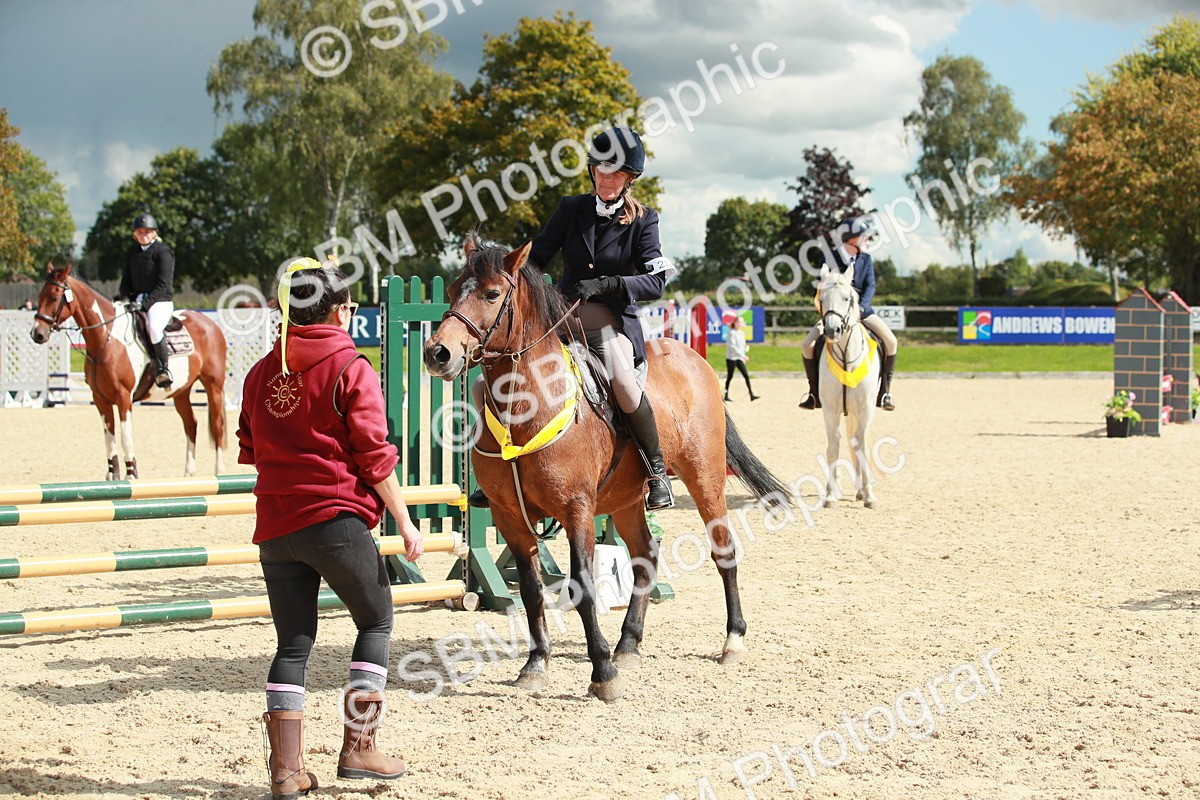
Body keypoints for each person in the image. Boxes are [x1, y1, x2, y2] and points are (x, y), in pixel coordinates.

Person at [237, 258, 424, 798]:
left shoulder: (259, 372)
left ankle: (286, 771)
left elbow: (249, 448)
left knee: (293, 645)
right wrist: (406, 521)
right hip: (335, 521)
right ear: (341, 311)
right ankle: (359, 748)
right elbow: (375, 458)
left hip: (274, 527)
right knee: (376, 621)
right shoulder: (350, 367)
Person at [468, 126, 677, 511]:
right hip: (560, 317)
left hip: (609, 320)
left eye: (615, 173)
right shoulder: (571, 208)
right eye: (600, 169)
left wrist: (610, 283)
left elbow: (656, 280)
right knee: (485, 386)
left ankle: (657, 471)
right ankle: (497, 473)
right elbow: (536, 259)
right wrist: (498, 271)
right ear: (591, 170)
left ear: (630, 178)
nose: (606, 178)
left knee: (625, 387)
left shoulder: (646, 220)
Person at [798, 216, 897, 411]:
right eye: (863, 237)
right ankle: (813, 393)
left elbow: (870, 285)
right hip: (835, 315)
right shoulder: (829, 258)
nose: (867, 241)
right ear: (851, 239)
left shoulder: (866, 259)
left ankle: (884, 392)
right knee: (807, 345)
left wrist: (860, 308)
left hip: (862, 312)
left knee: (891, 341)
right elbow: (823, 288)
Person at [119, 213, 175, 388]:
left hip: (160, 300)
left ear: (154, 233)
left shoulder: (162, 251)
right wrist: (126, 297)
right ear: (134, 234)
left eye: (147, 231)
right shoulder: (132, 252)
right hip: (136, 299)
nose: (143, 234)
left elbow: (163, 284)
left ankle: (163, 368)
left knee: (154, 327)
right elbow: (126, 280)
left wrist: (144, 304)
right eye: (140, 231)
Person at [724, 315, 759, 401]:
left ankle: (751, 394)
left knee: (746, 375)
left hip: (739, 358)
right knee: (730, 376)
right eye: (738, 322)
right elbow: (732, 347)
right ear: (735, 323)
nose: (740, 324)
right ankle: (725, 394)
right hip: (731, 358)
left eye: (741, 322)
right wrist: (743, 355)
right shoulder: (731, 333)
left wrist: (744, 353)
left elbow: (742, 346)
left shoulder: (742, 333)